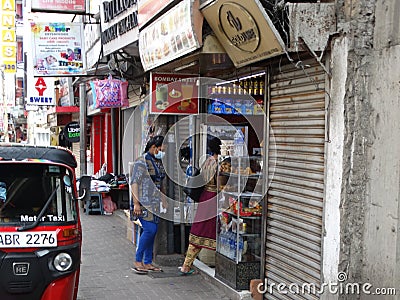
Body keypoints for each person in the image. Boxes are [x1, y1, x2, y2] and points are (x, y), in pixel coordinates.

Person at [179, 135, 221, 275]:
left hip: (204, 197)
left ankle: (186, 265)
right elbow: (221, 185)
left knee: (199, 229)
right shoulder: (218, 164)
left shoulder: (206, 162)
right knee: (215, 230)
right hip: (214, 198)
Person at [130, 135, 168, 274]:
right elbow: (134, 182)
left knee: (152, 232)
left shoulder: (158, 161)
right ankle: (138, 260)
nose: (162, 152)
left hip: (155, 203)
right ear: (153, 147)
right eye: (161, 149)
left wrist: (164, 199)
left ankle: (147, 261)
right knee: (149, 230)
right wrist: (136, 203)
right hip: (143, 203)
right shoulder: (141, 162)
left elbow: (161, 182)